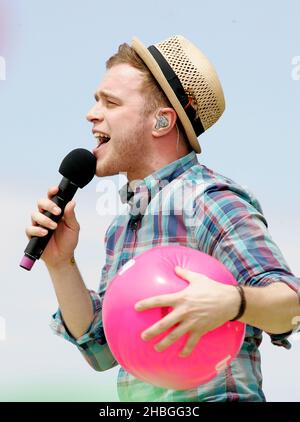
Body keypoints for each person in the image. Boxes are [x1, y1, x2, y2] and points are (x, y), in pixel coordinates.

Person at [26, 35, 300, 402]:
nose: (92, 114)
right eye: (96, 101)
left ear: (161, 121)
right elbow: (104, 351)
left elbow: (291, 307)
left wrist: (232, 302)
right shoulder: (123, 225)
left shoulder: (209, 200)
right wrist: (61, 263)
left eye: (110, 102)